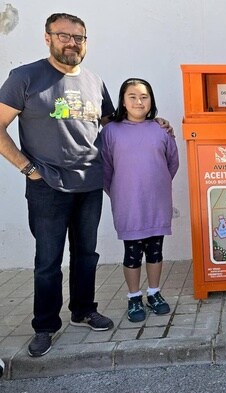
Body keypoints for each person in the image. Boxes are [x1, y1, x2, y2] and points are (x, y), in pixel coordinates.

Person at [0, 13, 172, 357]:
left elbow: (114, 124)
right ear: (47, 38)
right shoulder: (25, 77)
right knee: (48, 260)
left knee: (86, 255)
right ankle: (45, 325)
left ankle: (83, 310)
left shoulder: (94, 81)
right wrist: (27, 167)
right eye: (64, 35)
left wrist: (156, 122)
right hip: (47, 185)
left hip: (89, 185)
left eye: (79, 37)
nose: (72, 42)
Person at [101, 78, 179, 323]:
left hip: (156, 201)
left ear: (151, 101)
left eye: (144, 96)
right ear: (123, 101)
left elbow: (172, 163)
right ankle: (134, 296)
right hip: (128, 203)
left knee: (155, 251)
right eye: (132, 96)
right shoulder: (111, 131)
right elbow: (105, 168)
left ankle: (154, 293)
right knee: (132, 253)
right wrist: (120, 193)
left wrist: (157, 184)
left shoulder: (161, 129)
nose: (139, 101)